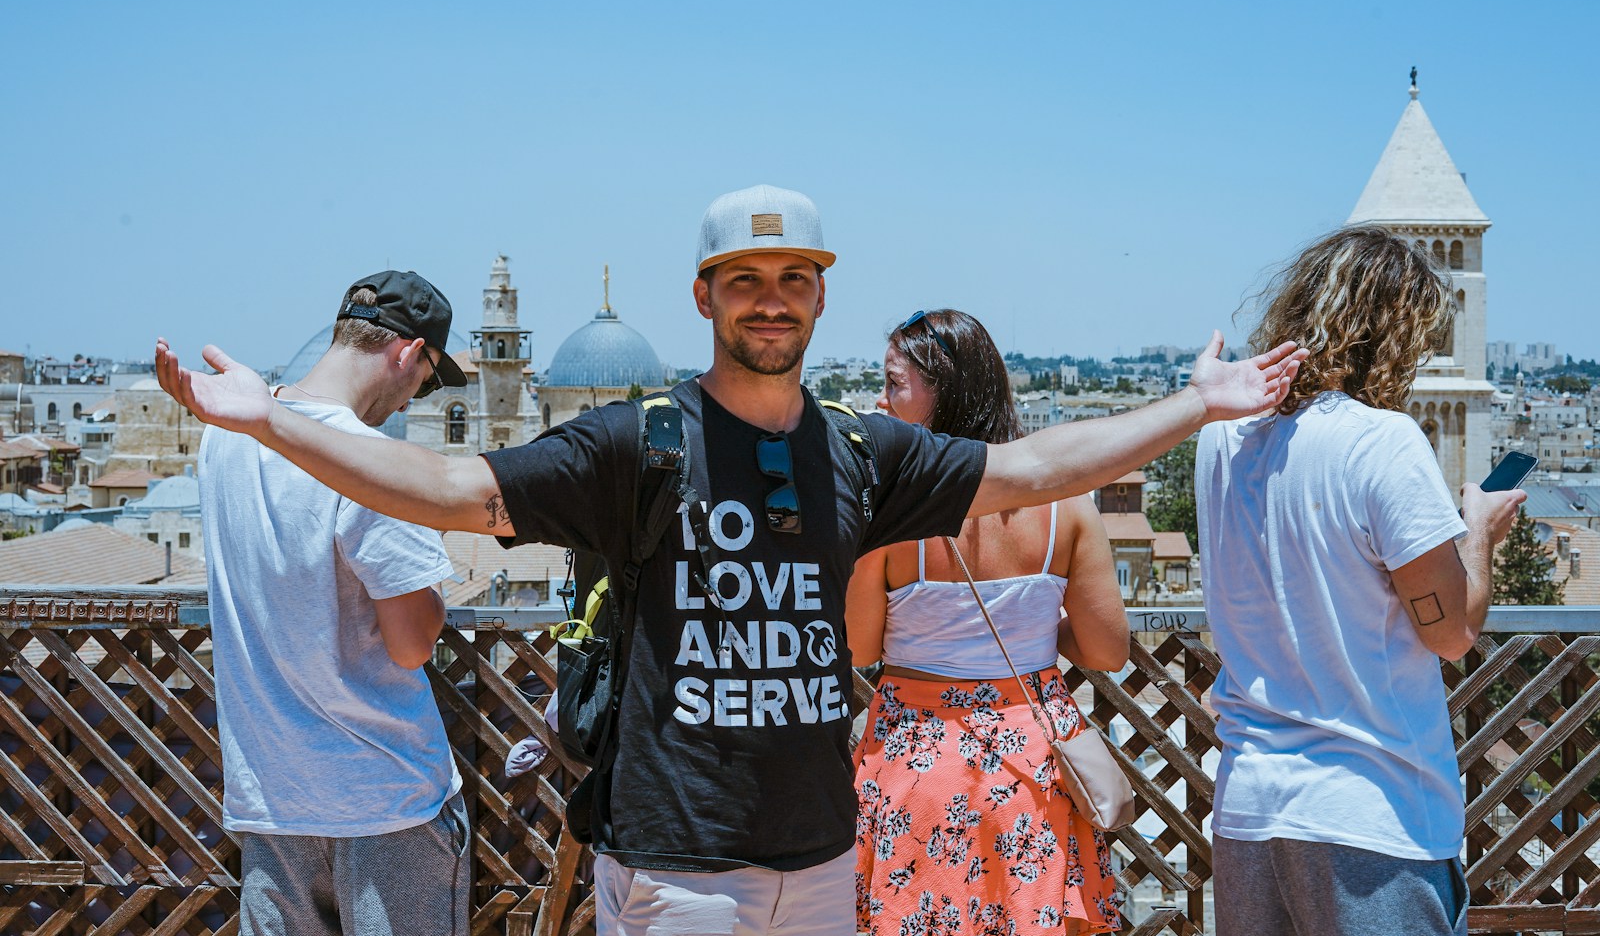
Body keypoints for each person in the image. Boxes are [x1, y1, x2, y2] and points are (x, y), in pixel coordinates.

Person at [156, 184, 1305, 936]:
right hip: (676, 863)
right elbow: (455, 489)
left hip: (816, 859)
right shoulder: (634, 440)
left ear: (818, 297)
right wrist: (272, 423)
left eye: (793, 279)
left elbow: (1039, 465)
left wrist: (1190, 407)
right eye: (746, 280)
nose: (771, 300)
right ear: (704, 296)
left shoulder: (858, 449)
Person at [1196, 225, 1525, 936]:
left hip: (1251, 806)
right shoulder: (1383, 440)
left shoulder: (1220, 438)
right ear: (1396, 334)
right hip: (1372, 816)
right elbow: (1451, 631)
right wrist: (1477, 530)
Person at [200, 270, 472, 936]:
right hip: (386, 802)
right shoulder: (374, 462)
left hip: (273, 801)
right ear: (407, 353)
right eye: (427, 378)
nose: (416, 396)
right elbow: (411, 642)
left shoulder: (225, 440)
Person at [848, 308, 1127, 936]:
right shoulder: (1067, 508)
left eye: (894, 384)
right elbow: (1107, 651)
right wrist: (1036, 627)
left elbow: (860, 645)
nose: (879, 399)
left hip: (918, 757)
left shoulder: (889, 521)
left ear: (941, 393)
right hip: (1036, 758)